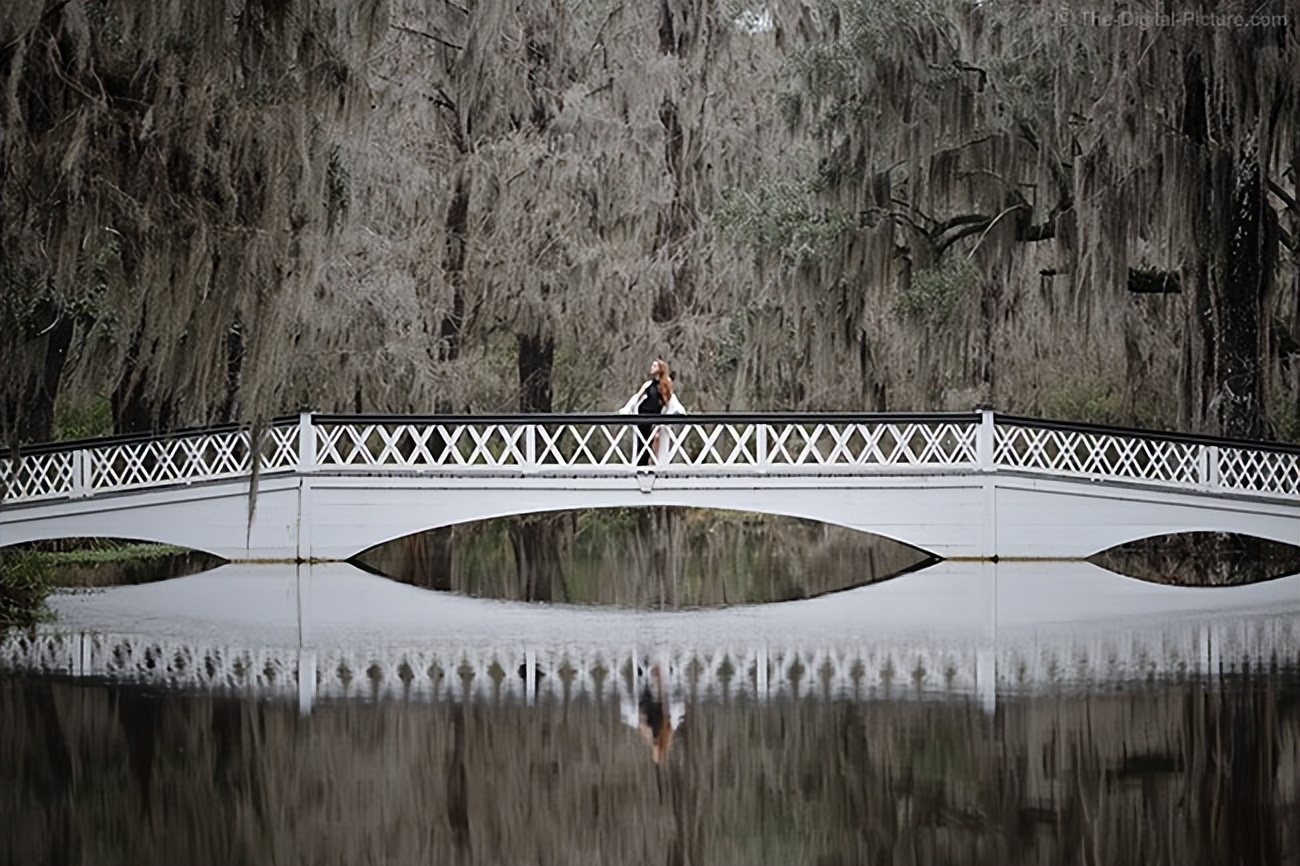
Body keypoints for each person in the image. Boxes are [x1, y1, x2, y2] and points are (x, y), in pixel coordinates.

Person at [617, 358, 686, 465]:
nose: (651, 367)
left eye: (655, 366)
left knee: (652, 440)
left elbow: (672, 399)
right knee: (642, 441)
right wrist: (626, 409)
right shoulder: (648, 384)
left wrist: (680, 411)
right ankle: (641, 465)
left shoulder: (665, 385)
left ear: (660, 369)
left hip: (655, 417)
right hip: (643, 415)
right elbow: (636, 398)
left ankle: (653, 465)